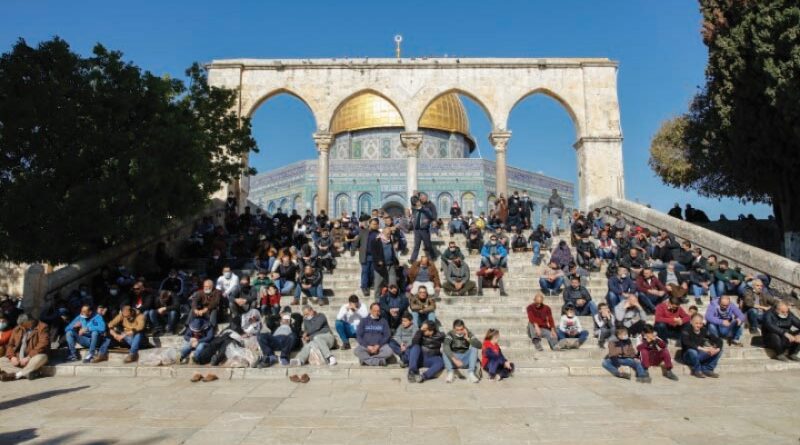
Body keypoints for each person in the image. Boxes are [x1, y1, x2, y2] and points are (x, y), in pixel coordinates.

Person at [0, 314, 49, 381]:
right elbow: (10, 345)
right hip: (19, 358)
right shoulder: (18, 328)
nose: (22, 326)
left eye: (24, 324)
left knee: (41, 357)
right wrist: (12, 357)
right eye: (21, 325)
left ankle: (17, 375)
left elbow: (43, 343)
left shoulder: (42, 327)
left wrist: (29, 357)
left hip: (33, 357)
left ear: (30, 321)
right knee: (1, 361)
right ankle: (29, 373)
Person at [681, 313, 723, 378]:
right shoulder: (686, 329)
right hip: (688, 356)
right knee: (692, 351)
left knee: (720, 350)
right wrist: (703, 349)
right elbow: (686, 342)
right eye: (696, 323)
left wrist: (717, 349)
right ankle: (698, 371)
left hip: (699, 354)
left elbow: (718, 340)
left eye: (700, 323)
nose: (698, 325)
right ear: (691, 322)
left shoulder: (704, 330)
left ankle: (708, 369)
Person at [409, 193, 438, 263]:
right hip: (417, 230)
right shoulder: (414, 210)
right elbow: (412, 200)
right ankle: (412, 259)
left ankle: (433, 256)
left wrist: (428, 220)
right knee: (416, 246)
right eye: (416, 202)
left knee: (428, 245)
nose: (417, 203)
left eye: (418, 202)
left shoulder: (426, 209)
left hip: (424, 230)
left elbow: (431, 216)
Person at [372, 227, 399, 298]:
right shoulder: (376, 241)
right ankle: (377, 302)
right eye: (387, 233)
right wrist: (378, 261)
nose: (389, 235)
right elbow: (374, 253)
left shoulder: (391, 240)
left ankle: (393, 300)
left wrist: (396, 262)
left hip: (391, 265)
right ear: (383, 232)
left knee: (393, 285)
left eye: (390, 233)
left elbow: (393, 252)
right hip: (380, 267)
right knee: (378, 284)